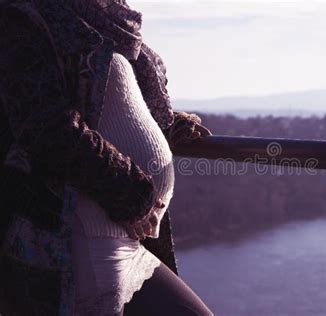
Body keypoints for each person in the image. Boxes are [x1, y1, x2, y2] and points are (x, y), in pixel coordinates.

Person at [0, 0, 213, 315]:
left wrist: (166, 125)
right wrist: (134, 194)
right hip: (76, 244)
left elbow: (107, 101)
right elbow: (46, 125)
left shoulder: (105, 23)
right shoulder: (21, 15)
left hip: (124, 243)